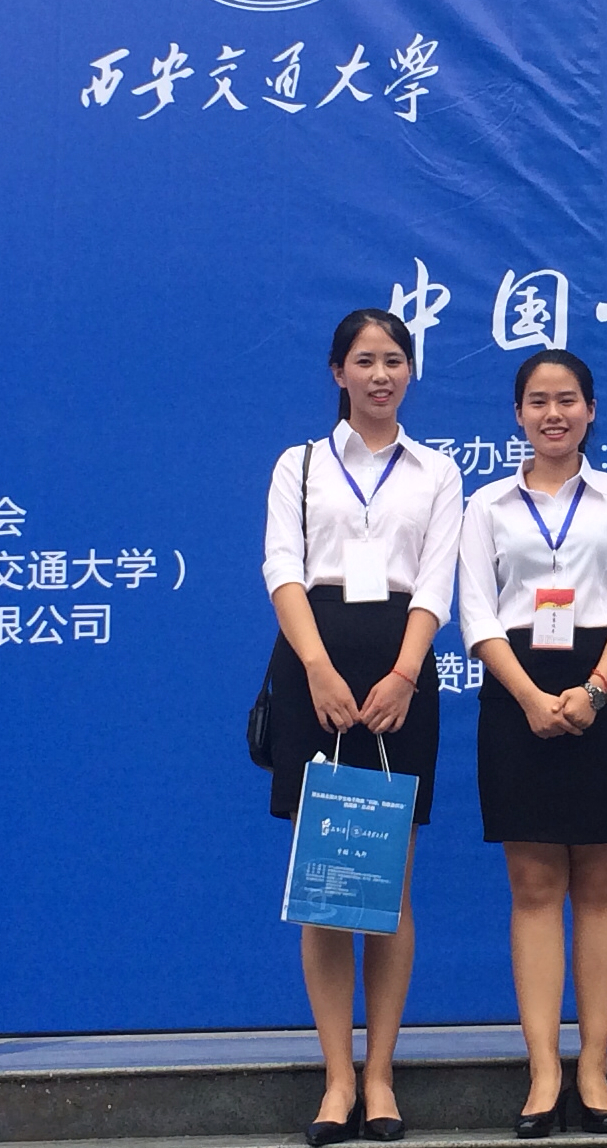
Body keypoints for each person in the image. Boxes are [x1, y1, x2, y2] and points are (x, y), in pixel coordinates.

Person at [260, 309, 464, 1147]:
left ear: (410, 372)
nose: (381, 375)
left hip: (399, 673)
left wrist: (407, 674)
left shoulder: (437, 470)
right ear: (338, 371)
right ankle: (336, 1078)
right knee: (325, 885)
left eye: (394, 360)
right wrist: (316, 667)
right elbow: (282, 567)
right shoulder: (300, 464)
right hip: (316, 668)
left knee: (386, 884)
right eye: (365, 360)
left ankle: (380, 1074)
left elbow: (437, 582)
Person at [459, 349, 607, 1139]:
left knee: (602, 884)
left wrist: (598, 690)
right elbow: (477, 612)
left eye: (568, 399)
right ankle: (544, 1067)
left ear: (591, 409)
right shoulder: (487, 504)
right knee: (534, 887)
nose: (554, 413)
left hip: (601, 686)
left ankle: (595, 1063)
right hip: (518, 690)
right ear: (518, 414)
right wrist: (531, 697)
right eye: (538, 400)